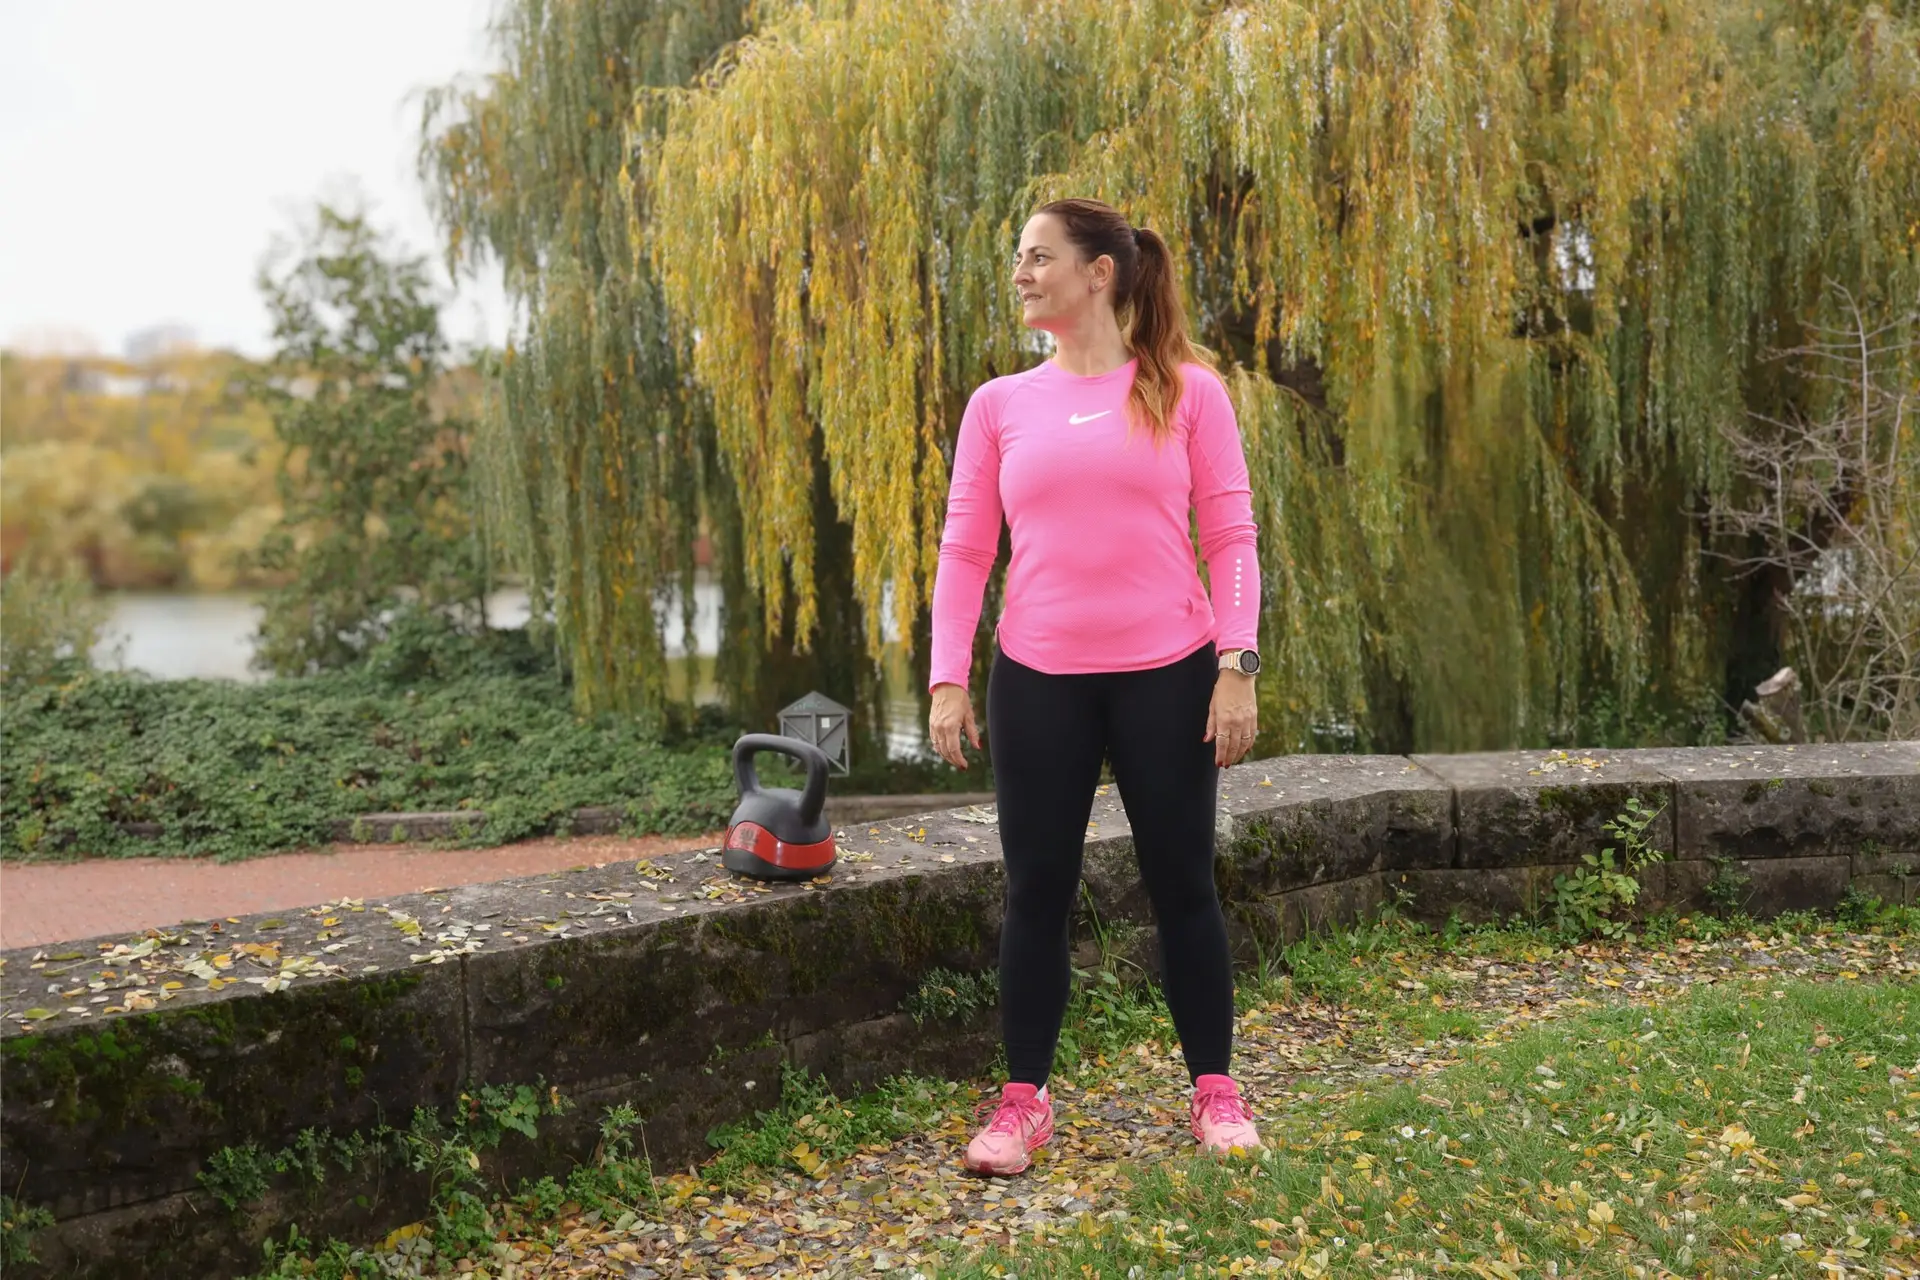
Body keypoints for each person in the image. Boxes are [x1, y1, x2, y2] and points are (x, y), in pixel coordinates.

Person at [927, 197, 1265, 1176]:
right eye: (1018, 257)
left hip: (1168, 675)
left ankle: (1215, 1089)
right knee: (1036, 890)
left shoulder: (1189, 392)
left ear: (1100, 272)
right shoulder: (998, 404)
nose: (1022, 272)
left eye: (1039, 256)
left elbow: (1232, 538)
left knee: (1183, 884)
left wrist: (1235, 664)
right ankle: (1022, 1102)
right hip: (1037, 681)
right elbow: (963, 552)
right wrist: (949, 678)